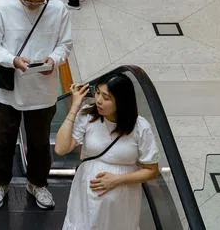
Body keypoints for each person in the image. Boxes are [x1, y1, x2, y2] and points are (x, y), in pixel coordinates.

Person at [0, 0, 73, 210]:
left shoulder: (58, 9)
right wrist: (12, 60)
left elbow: (65, 44)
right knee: (3, 140)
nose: (34, 6)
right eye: (29, 2)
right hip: (7, 88)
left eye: (39, 2)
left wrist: (53, 60)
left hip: (42, 91)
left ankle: (37, 183)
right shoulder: (2, 7)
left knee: (40, 143)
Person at [56, 76, 160, 230]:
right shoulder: (88, 116)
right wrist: (74, 107)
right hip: (87, 194)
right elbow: (61, 148)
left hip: (122, 199)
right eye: (97, 93)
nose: (98, 100)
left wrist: (117, 180)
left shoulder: (140, 127)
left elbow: (152, 170)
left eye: (106, 97)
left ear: (121, 101)